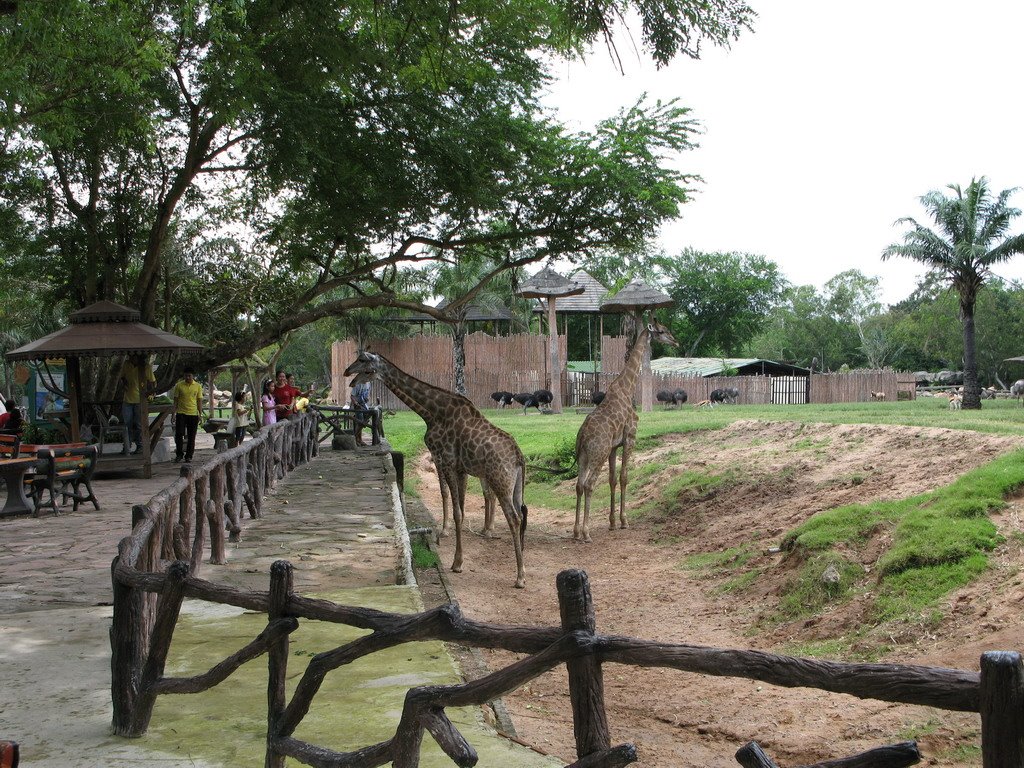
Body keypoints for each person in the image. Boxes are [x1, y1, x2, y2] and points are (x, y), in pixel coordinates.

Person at [120, 353, 156, 454]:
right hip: (127, 400)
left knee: (139, 424)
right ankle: (127, 446)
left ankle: (140, 446)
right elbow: (122, 377)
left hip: (140, 400)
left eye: (133, 356)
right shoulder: (126, 364)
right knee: (127, 425)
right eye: (130, 356)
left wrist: (151, 393)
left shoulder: (146, 367)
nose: (131, 358)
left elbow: (152, 381)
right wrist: (124, 384)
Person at [171, 367, 203, 463]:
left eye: (189, 375)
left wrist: (200, 414)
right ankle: (179, 454)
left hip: (193, 414)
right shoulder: (179, 385)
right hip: (181, 413)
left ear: (193, 376)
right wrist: (173, 413)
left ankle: (189, 456)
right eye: (186, 375)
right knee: (179, 434)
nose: (187, 377)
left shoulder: (198, 386)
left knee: (191, 436)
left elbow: (199, 400)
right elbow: (175, 400)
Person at [350, 377, 371, 446]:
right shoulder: (358, 384)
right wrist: (356, 404)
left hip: (363, 404)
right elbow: (352, 396)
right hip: (356, 405)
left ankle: (358, 439)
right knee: (360, 420)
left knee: (366, 419)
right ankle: (357, 439)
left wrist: (367, 398)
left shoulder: (368, 384)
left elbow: (367, 395)